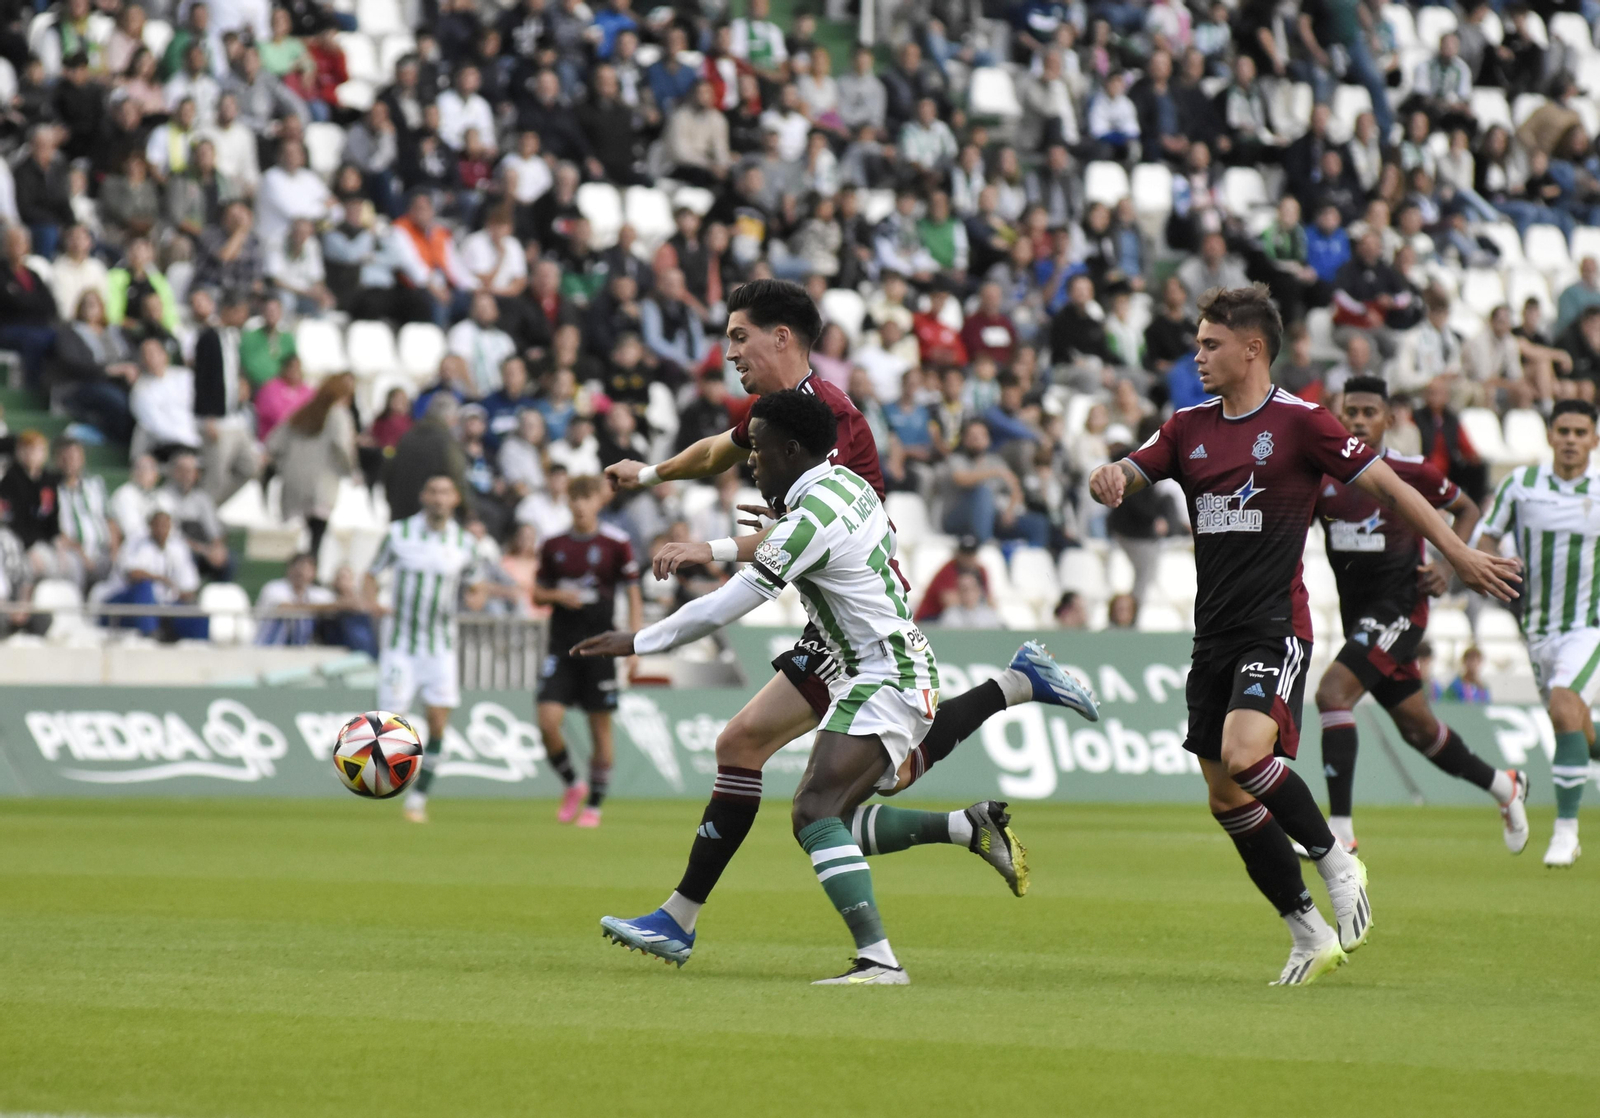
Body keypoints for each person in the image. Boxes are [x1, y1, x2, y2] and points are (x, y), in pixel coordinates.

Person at [597, 280, 1096, 968]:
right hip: (833, 607)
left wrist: (713, 552)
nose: (730, 350)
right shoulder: (776, 415)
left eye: (741, 336)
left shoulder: (828, 414)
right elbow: (725, 454)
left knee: (834, 797)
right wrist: (652, 475)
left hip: (851, 614)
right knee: (778, 764)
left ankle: (1010, 694)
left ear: (783, 338)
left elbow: (813, 531)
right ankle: (977, 790)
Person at [1089, 284, 1520, 985]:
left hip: (1274, 626)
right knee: (1226, 797)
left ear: (1251, 349)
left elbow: (1393, 489)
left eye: (1209, 344)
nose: (1196, 355)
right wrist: (1110, 478)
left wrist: (1459, 553)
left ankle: (1334, 857)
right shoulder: (1187, 427)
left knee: (1243, 753)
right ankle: (1307, 931)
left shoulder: (1301, 423)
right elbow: (1133, 472)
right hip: (1212, 636)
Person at [581, 391, 1025, 984]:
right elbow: (825, 543)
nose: (751, 459)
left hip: (881, 671)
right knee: (836, 806)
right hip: (878, 666)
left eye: (758, 447)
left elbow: (727, 605)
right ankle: (966, 820)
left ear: (791, 449)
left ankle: (879, 960)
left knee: (816, 810)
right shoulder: (846, 486)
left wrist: (640, 641)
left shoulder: (810, 517)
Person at [1312, 377, 1528, 856]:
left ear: (1389, 420)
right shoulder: (1324, 476)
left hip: (1401, 609)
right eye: (1353, 412)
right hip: (1359, 618)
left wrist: (1448, 565)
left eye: (1371, 412)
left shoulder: (1409, 471)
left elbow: (1467, 508)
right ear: (1340, 416)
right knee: (1418, 729)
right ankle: (1503, 786)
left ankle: (1340, 831)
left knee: (1331, 695)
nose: (1360, 420)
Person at [1477, 400, 1600, 866]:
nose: (1570, 439)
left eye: (1580, 432)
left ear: (1594, 439)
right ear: (1550, 436)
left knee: (1564, 705)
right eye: (1563, 430)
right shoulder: (1521, 485)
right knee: (1574, 725)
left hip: (1589, 626)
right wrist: (1490, 572)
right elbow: (1486, 541)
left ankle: (1566, 831)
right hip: (1538, 629)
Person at [363, 475, 489, 825]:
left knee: (437, 725)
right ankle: (381, 784)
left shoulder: (464, 542)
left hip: (440, 648)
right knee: (390, 722)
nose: (438, 498)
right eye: (432, 491)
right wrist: (371, 602)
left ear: (454, 500)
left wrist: (475, 599)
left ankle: (417, 800)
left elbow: (477, 585)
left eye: (445, 492)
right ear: (423, 496)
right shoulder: (399, 533)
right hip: (401, 645)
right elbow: (371, 574)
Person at [530, 475, 642, 829]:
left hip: (601, 649)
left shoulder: (616, 542)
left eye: (586, 497)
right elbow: (537, 593)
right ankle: (573, 784)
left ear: (599, 501)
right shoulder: (553, 544)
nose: (579, 504)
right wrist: (558, 596)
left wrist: (636, 642)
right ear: (567, 502)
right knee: (547, 721)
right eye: (574, 498)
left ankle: (594, 805)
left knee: (600, 730)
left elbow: (633, 593)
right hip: (561, 647)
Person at [268, 372, 355, 558]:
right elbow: (342, 447)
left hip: (293, 482)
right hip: (321, 484)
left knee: (296, 536)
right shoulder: (338, 414)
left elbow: (273, 443)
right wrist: (350, 470)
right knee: (316, 536)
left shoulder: (302, 411)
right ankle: (310, 572)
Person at [98, 508, 207, 640]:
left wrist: (180, 593)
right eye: (158, 525)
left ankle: (202, 650)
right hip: (121, 605)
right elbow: (133, 575)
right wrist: (161, 579)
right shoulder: (136, 543)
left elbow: (189, 587)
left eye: (165, 525)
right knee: (144, 587)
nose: (162, 530)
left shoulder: (177, 548)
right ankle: (149, 637)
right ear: (150, 526)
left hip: (161, 608)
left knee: (196, 615)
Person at [256, 552, 336, 645]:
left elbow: (334, 605)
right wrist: (318, 608)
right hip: (267, 646)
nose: (302, 573)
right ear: (289, 569)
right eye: (298, 568)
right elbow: (285, 608)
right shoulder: (273, 588)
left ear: (314, 573)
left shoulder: (316, 593)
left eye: (307, 569)